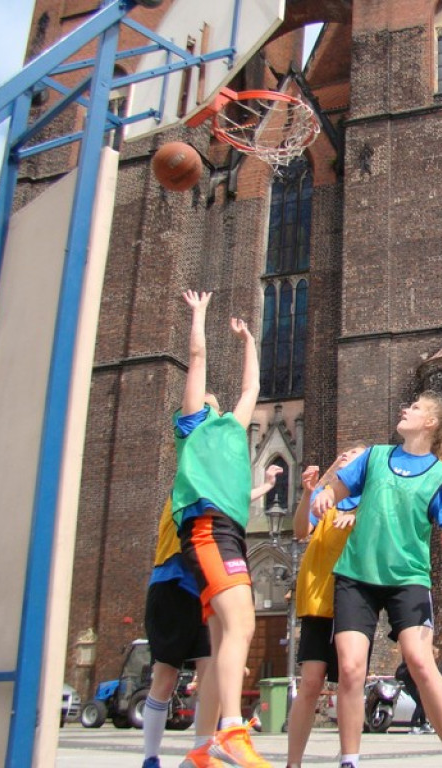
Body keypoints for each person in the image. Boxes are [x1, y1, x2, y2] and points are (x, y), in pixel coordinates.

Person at [311, 391, 442, 768]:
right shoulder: (375, 457)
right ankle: (349, 760)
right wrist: (325, 495)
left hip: (408, 579)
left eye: (415, 408)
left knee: (420, 661)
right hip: (357, 575)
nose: (405, 409)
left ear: (430, 423)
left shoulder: (441, 476)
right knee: (351, 668)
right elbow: (338, 488)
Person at [174, 290, 269, 768]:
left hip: (229, 532)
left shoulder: (232, 426)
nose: (211, 397)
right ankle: (232, 730)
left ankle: (201, 750)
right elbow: (197, 359)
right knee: (243, 625)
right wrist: (200, 314)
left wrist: (249, 339)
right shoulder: (193, 426)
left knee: (219, 644)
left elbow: (252, 388)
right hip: (207, 529)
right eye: (206, 397)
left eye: (213, 397)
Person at [142, 467, 280, 768]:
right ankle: (150, 758)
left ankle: (201, 752)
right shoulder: (186, 491)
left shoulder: (212, 494)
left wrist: (266, 487)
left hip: (205, 588)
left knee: (212, 669)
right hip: (172, 582)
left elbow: (231, 498)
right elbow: (219, 498)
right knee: (165, 676)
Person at [286, 446, 367, 768]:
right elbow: (300, 531)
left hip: (354, 598)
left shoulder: (369, 499)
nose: (346, 456)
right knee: (310, 681)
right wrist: (309, 493)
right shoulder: (325, 497)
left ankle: (349, 759)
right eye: (344, 453)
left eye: (355, 454)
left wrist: (357, 517)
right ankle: (293, 763)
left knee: (351, 679)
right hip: (318, 598)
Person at [395, 658, 430, 734]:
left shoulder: (411, 662)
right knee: (420, 703)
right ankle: (413, 725)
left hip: (415, 685)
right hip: (412, 686)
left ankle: (423, 724)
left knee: (422, 703)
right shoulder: (410, 663)